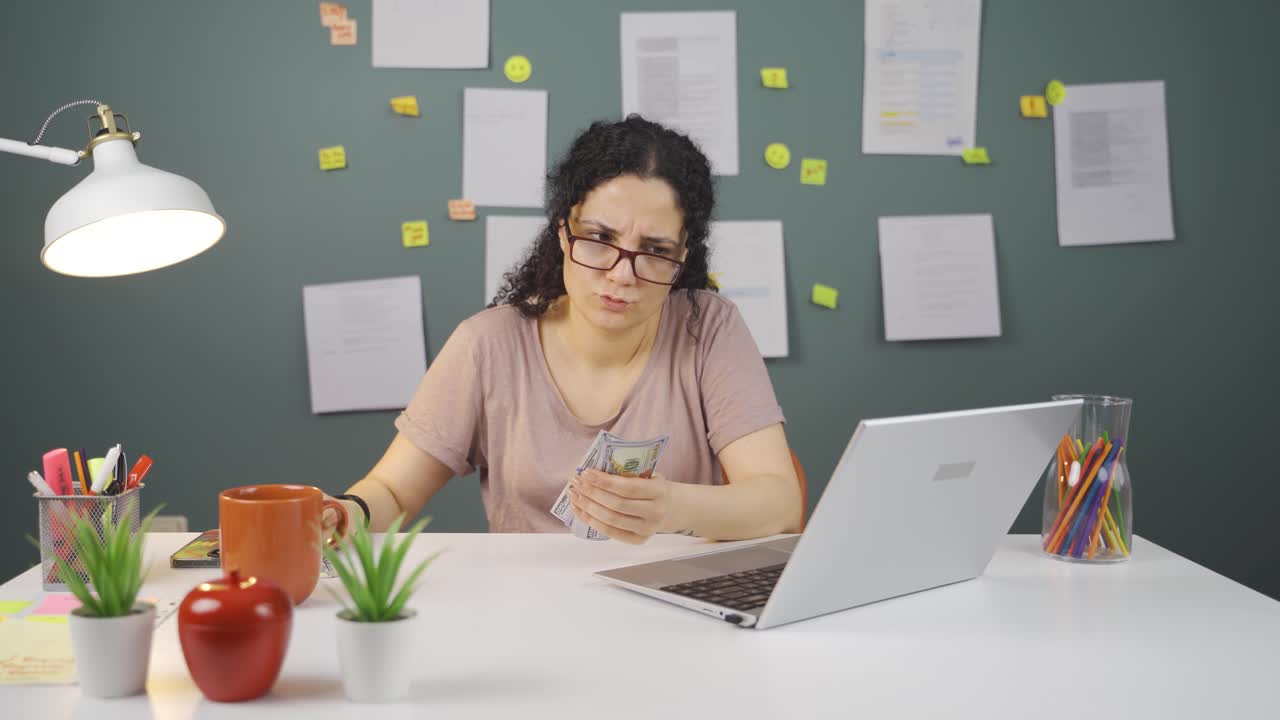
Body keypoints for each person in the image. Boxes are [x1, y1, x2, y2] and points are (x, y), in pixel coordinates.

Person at [332, 116, 801, 544]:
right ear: (563, 233)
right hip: (523, 613)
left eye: (655, 250)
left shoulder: (709, 327)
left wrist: (671, 507)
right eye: (599, 239)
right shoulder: (488, 344)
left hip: (673, 610)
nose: (621, 274)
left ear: (681, 260)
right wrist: (347, 512)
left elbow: (779, 504)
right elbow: (392, 491)